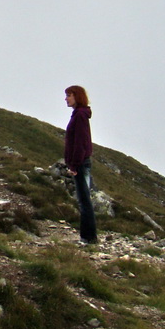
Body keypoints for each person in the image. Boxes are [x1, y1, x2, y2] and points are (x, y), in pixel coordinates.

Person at [64, 85, 97, 245]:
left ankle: (89, 238)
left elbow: (80, 143)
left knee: (84, 201)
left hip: (81, 163)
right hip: (81, 163)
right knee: (84, 200)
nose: (66, 98)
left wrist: (75, 165)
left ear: (77, 96)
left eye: (69, 95)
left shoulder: (80, 116)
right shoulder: (78, 114)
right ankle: (88, 237)